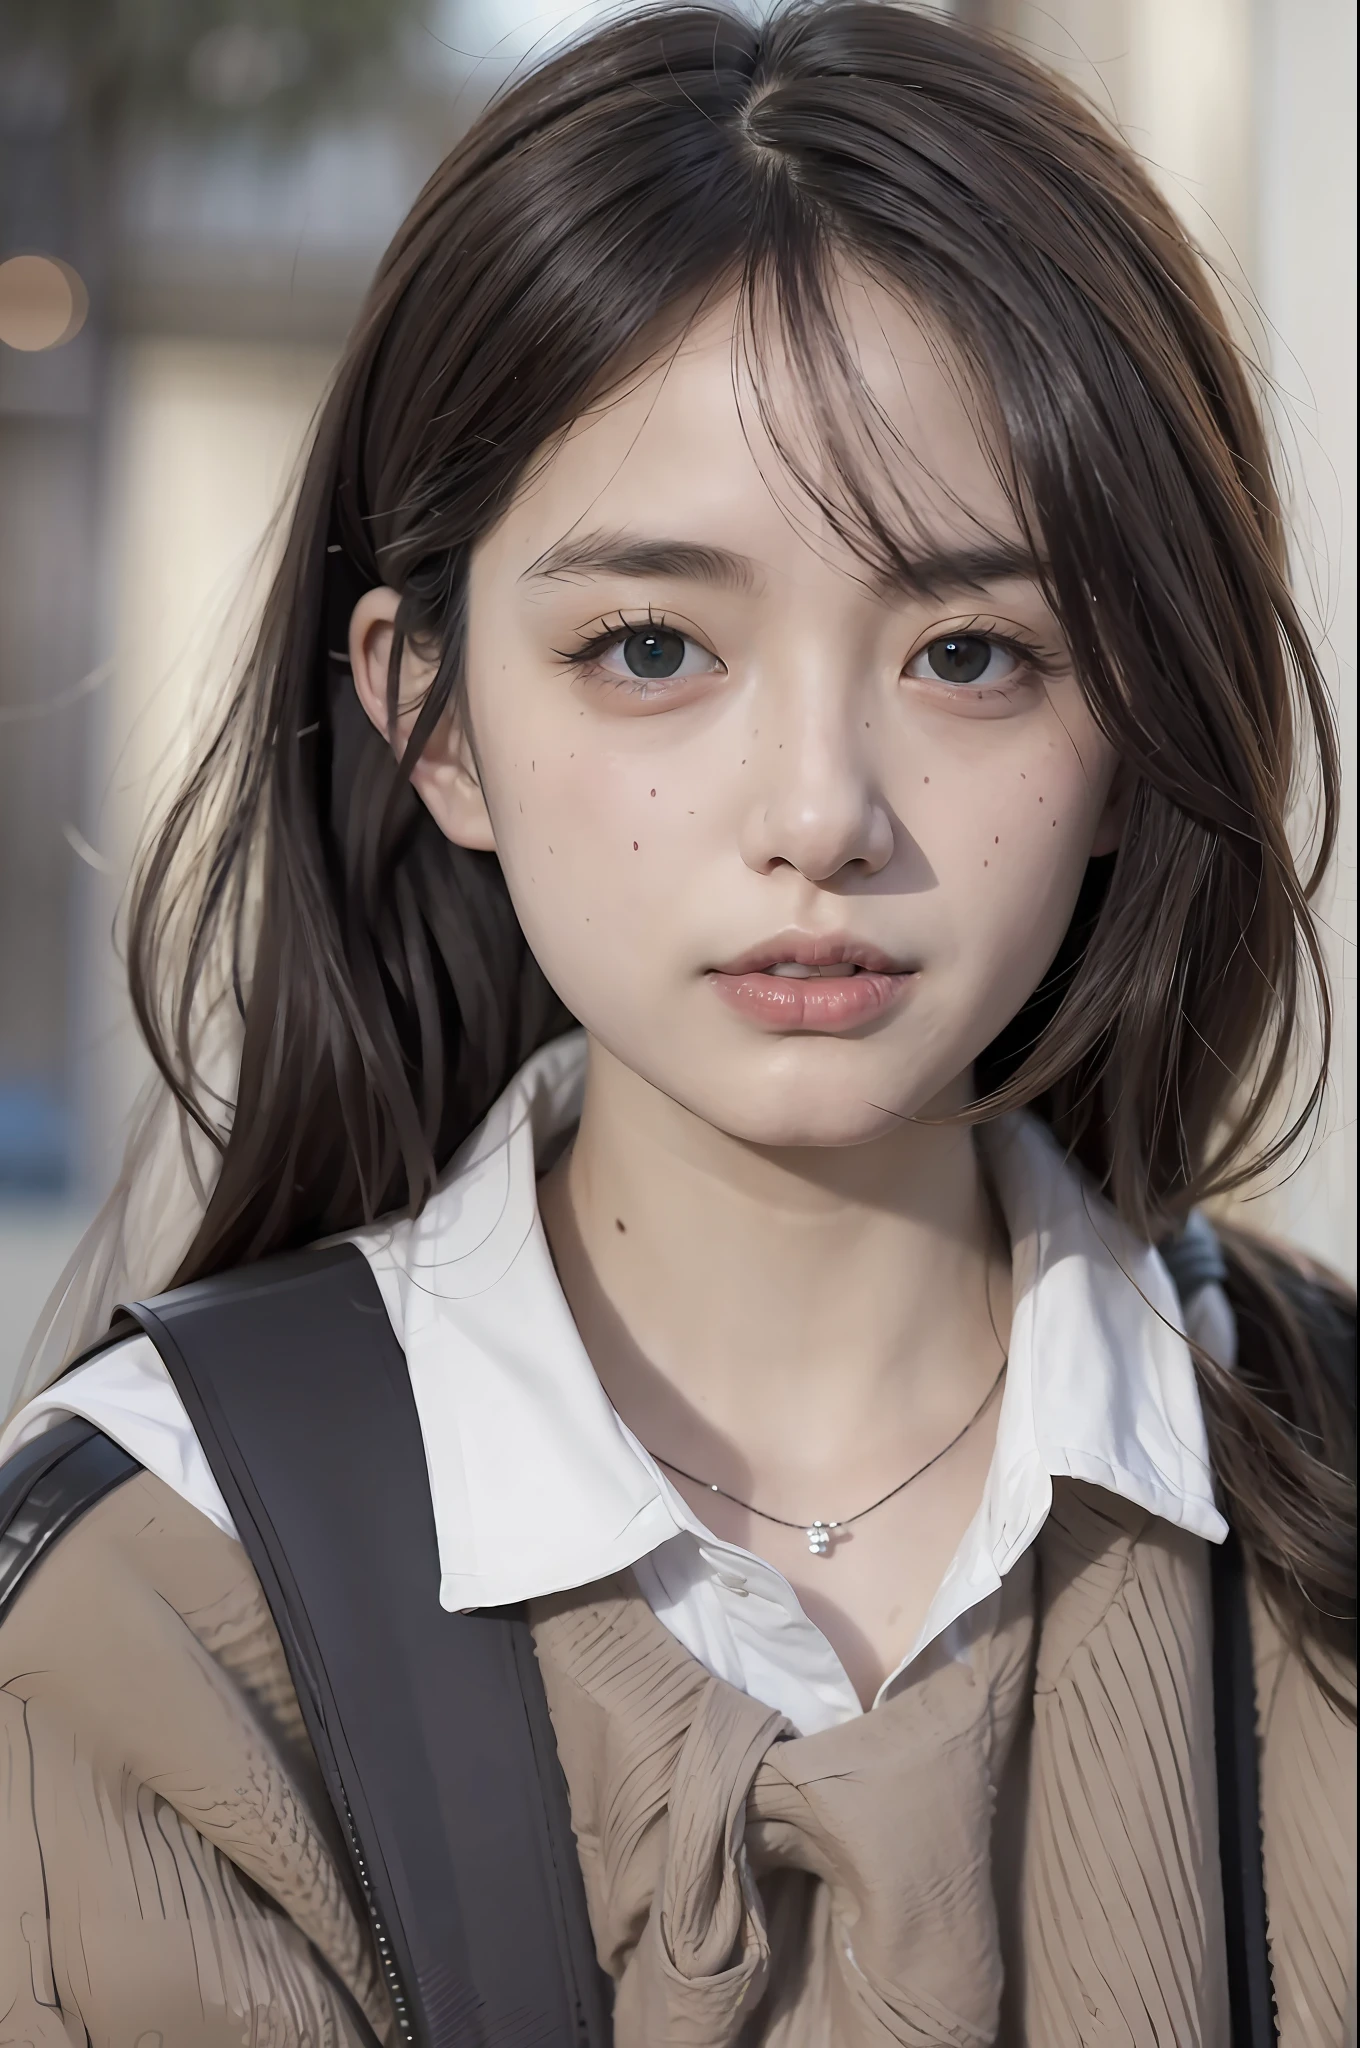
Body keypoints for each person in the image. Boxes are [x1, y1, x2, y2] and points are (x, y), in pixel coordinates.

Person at [0, 4, 1354, 2042]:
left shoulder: (1317, 1487)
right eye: (650, 646)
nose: (817, 810)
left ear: (1133, 714)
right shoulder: (168, 1602)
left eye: (970, 651)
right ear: (429, 710)